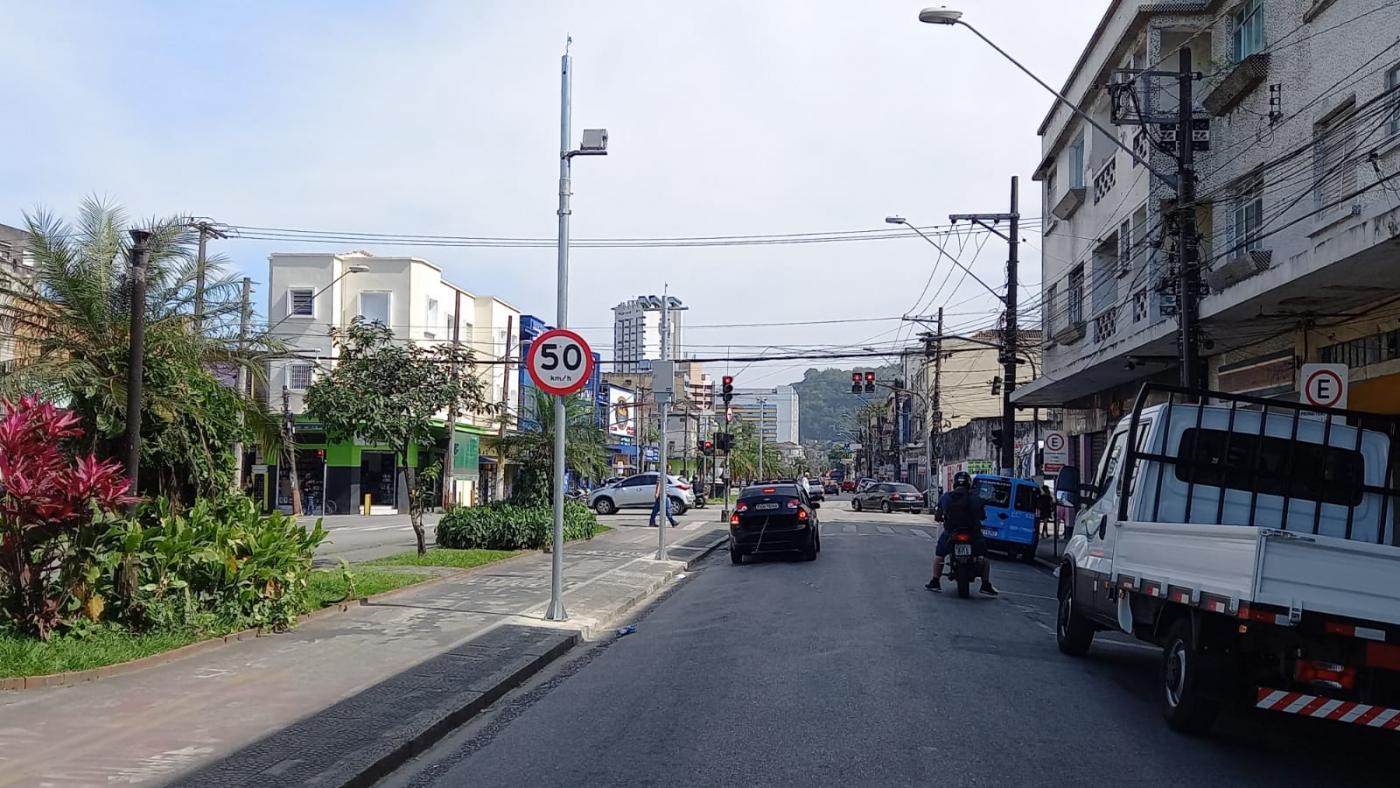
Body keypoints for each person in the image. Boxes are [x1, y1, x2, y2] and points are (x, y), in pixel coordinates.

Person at [927, 471, 998, 596]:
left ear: (954, 483)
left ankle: (935, 581)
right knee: (984, 557)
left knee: (940, 555)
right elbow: (982, 516)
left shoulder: (946, 497)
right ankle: (985, 584)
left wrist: (943, 518)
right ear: (969, 484)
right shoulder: (976, 498)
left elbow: (937, 516)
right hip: (973, 533)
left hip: (951, 532)